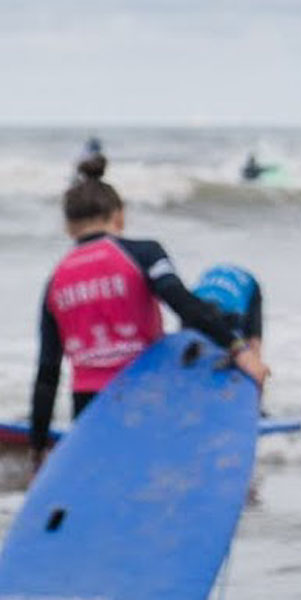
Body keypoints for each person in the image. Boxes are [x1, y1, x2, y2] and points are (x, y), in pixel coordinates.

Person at [30, 169, 269, 470]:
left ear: (68, 226)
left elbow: (47, 373)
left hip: (89, 409)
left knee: (108, 481)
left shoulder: (56, 281)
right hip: (146, 392)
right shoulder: (144, 253)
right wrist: (239, 349)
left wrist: (38, 451)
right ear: (119, 216)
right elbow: (186, 305)